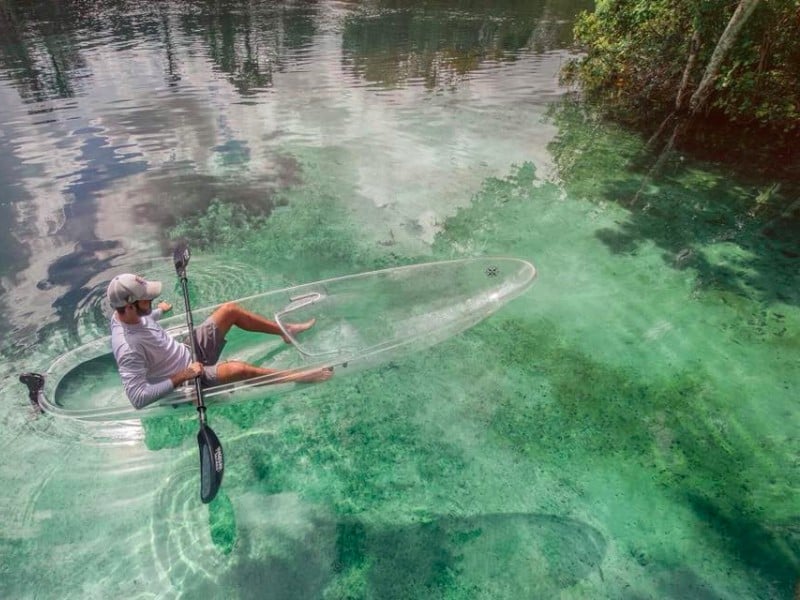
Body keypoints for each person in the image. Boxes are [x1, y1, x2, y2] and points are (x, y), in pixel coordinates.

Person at [107, 273, 332, 409]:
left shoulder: (127, 314)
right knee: (238, 369)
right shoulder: (128, 348)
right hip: (188, 380)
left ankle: (285, 331)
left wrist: (158, 311)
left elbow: (145, 321)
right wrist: (183, 375)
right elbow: (137, 398)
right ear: (129, 306)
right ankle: (300, 377)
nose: (152, 299)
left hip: (187, 350)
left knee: (229, 310)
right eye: (147, 299)